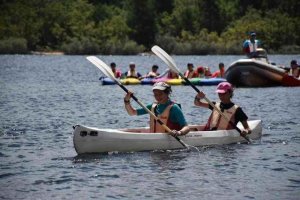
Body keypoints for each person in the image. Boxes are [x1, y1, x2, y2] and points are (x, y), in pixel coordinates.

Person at [123, 82, 190, 136]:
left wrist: (179, 133)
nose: (157, 97)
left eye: (160, 94)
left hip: (171, 138)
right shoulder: (152, 106)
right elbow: (132, 112)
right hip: (154, 137)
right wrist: (126, 101)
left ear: (167, 93)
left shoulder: (174, 108)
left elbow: (186, 127)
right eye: (155, 94)